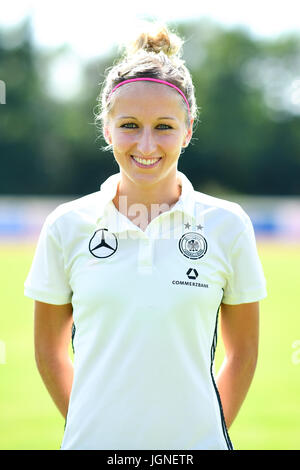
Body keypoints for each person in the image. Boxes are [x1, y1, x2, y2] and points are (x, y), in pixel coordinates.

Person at [24, 21, 267, 450]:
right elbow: (49, 351)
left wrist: (204, 436)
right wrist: (92, 430)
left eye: (165, 127)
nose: (147, 144)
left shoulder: (228, 225)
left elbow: (243, 352)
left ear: (188, 130)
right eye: (131, 125)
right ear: (107, 129)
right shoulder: (66, 225)